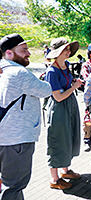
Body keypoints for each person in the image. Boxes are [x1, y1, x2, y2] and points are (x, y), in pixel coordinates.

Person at [0, 33, 52, 199]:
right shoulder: (18, 73)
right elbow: (46, 90)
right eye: (24, 50)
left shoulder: (3, 72)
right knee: (13, 187)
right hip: (16, 141)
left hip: (5, 138)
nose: (29, 53)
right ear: (9, 53)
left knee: (7, 184)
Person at [44, 37, 83, 190]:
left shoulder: (65, 66)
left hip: (69, 105)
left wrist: (73, 84)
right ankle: (54, 180)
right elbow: (58, 97)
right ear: (58, 52)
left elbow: (65, 86)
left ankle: (65, 171)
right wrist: (75, 87)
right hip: (59, 109)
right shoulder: (52, 71)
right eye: (66, 49)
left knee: (69, 136)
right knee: (57, 141)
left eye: (68, 49)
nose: (69, 52)